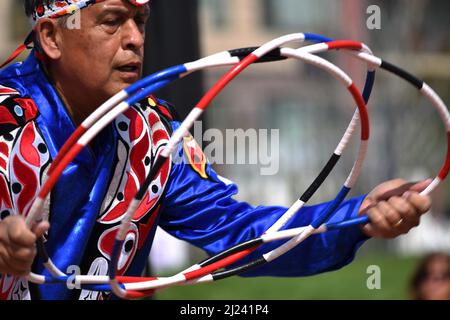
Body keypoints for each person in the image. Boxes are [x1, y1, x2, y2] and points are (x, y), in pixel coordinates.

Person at [0, 0, 432, 300]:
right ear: (53, 36)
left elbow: (240, 235)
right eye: (112, 21)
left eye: (141, 21)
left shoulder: (153, 134)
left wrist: (358, 217)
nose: (134, 39)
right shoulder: (7, 122)